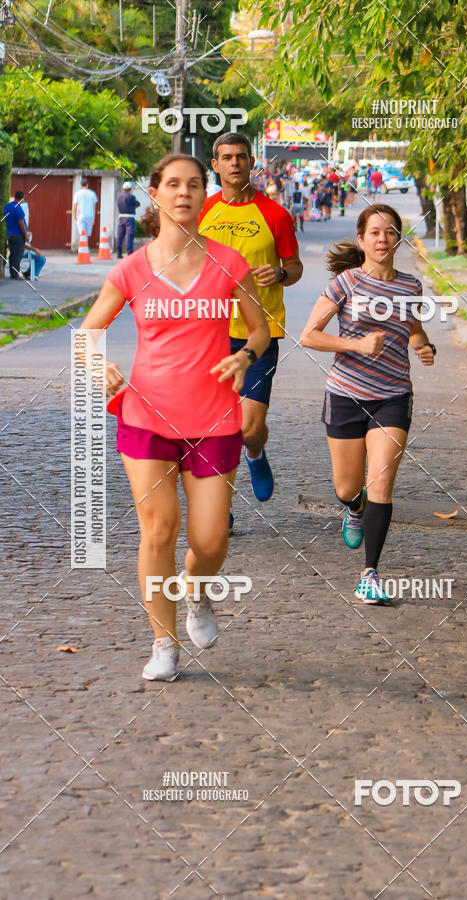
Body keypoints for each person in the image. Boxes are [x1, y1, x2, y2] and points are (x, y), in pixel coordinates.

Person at [78, 153, 270, 681]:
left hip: (214, 419)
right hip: (145, 416)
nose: (183, 192)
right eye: (173, 184)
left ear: (204, 194)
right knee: (159, 529)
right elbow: (88, 333)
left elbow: (259, 329)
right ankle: (163, 642)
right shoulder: (131, 269)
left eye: (193, 185)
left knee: (210, 542)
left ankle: (198, 593)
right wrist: (101, 367)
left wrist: (245, 356)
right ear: (155, 194)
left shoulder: (230, 263)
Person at [300, 204, 436, 604]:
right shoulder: (345, 284)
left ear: (398, 239)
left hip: (393, 396)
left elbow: (414, 331)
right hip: (345, 394)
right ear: (361, 240)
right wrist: (355, 344)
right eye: (374, 233)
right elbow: (309, 335)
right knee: (347, 487)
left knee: (382, 482)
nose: (382, 239)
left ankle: (370, 573)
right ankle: (353, 507)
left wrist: (423, 347)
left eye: (390, 232)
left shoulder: (410, 286)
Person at [197, 132, 303, 518]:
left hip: (259, 333)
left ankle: (256, 453)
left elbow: (295, 268)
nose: (235, 163)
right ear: (216, 165)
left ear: (251, 161)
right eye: (227, 157)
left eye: (241, 156)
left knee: (247, 427)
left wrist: (279, 273)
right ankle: (218, 504)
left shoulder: (275, 214)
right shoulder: (203, 212)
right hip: (208, 333)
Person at [3, 190, 27, 278]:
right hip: (18, 235)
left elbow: (6, 219)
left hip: (9, 234)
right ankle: (15, 275)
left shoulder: (7, 206)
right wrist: (26, 235)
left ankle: (12, 274)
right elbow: (21, 222)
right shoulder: (18, 208)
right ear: (22, 198)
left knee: (12, 254)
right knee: (18, 255)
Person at [116, 181, 140, 258]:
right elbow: (137, 204)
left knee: (120, 235)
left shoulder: (119, 197)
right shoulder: (131, 197)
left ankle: (118, 253)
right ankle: (129, 253)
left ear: (123, 189)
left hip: (121, 217)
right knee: (129, 235)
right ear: (130, 189)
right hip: (130, 218)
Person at [73, 176, 98, 242]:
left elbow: (75, 206)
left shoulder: (77, 194)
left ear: (80, 185)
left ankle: (82, 249)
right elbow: (94, 207)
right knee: (87, 235)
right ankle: (86, 249)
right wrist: (94, 218)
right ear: (87, 184)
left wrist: (74, 216)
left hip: (81, 216)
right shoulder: (92, 194)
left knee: (82, 234)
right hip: (90, 216)